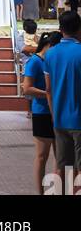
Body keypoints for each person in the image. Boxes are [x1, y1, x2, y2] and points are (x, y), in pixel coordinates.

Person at [23, 30, 62, 194]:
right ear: (50, 45)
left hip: (58, 112)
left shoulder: (53, 61)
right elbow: (27, 88)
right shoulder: (34, 62)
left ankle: (55, 190)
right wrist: (48, 93)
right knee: (42, 156)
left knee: (60, 157)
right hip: (42, 113)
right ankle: (40, 191)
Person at [44, 11, 81, 181]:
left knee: (64, 171)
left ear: (60, 29)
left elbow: (48, 90)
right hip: (78, 120)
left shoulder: (50, 54)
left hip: (59, 120)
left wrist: (54, 115)